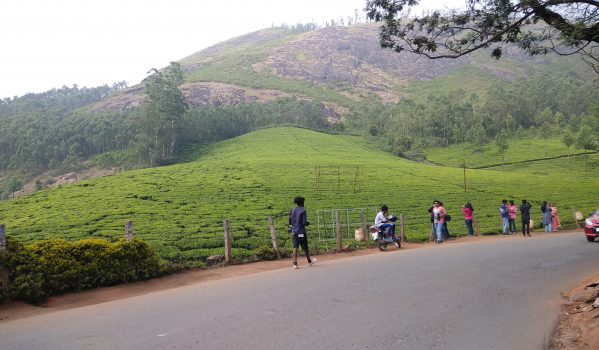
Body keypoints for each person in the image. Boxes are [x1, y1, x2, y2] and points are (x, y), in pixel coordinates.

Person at [288, 196, 314, 269]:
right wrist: (307, 223)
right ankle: (309, 261)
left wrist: (290, 228)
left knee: (295, 247)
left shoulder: (292, 210)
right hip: (301, 231)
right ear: (302, 203)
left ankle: (295, 263)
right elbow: (304, 222)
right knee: (305, 247)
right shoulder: (303, 210)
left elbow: (290, 220)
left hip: (294, 231)